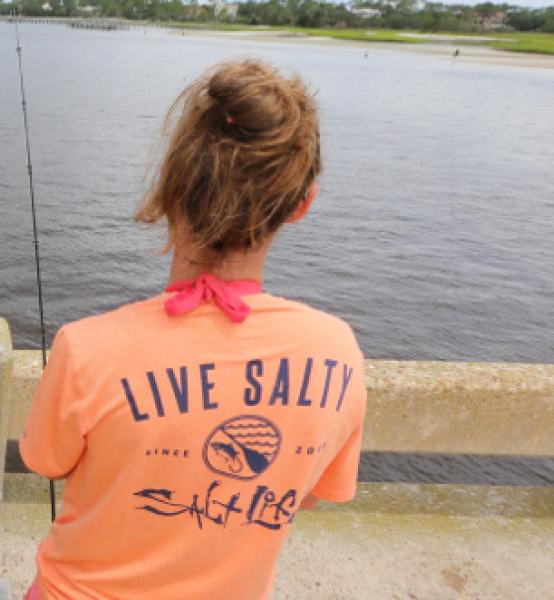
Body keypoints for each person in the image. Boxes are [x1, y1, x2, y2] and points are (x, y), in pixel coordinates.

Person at [19, 59, 367, 599]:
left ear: (170, 187)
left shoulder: (87, 347)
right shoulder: (337, 350)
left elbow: (46, 460)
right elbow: (316, 491)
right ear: (302, 204)